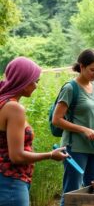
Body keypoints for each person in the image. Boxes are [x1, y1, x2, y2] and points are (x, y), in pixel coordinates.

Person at [0, 57, 67, 206]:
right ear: (23, 81)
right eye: (35, 81)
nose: (36, 86)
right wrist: (50, 155)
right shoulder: (14, 108)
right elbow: (16, 156)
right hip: (11, 182)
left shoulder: (2, 102)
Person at [52, 49, 94, 206]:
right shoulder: (70, 88)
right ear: (82, 66)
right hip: (75, 148)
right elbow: (57, 120)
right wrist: (83, 129)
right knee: (72, 193)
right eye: (93, 69)